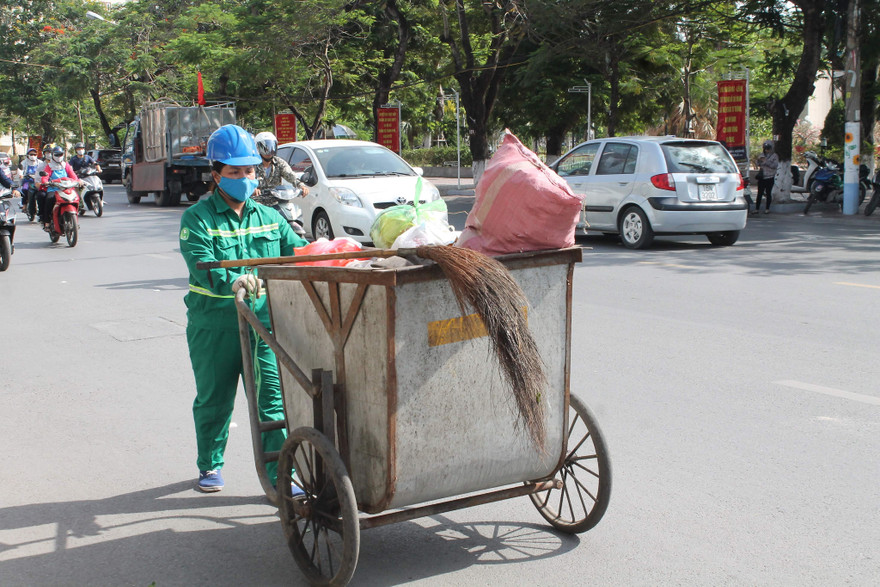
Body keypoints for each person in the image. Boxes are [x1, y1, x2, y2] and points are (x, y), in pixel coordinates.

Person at [179, 124, 308, 493]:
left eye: (249, 171)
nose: (244, 178)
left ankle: (280, 477)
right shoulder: (197, 219)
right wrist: (232, 281)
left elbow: (297, 251)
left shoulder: (270, 218)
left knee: (272, 400)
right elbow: (201, 263)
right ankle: (209, 466)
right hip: (214, 325)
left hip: (262, 324)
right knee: (214, 399)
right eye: (234, 172)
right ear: (216, 174)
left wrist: (330, 251)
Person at [251, 131, 309, 207]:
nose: (269, 151)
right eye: (265, 148)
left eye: (271, 147)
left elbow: (290, 174)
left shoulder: (279, 162)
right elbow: (246, 181)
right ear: (258, 148)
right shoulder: (252, 165)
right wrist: (252, 189)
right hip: (257, 204)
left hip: (277, 202)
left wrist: (301, 186)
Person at [39, 146, 79, 230]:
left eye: (60, 154)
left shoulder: (66, 165)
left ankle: (75, 219)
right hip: (54, 189)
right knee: (49, 200)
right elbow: (45, 176)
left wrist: (78, 181)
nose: (59, 157)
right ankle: (47, 222)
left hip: (67, 189)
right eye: (56, 155)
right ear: (53, 155)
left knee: (76, 197)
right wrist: (45, 181)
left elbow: (73, 176)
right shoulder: (49, 166)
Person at [755, 140, 779, 214]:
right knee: (759, 193)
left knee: (768, 193)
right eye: (765, 148)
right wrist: (758, 161)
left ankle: (767, 208)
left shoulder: (774, 156)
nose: (767, 150)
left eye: (768, 148)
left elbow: (775, 166)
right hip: (762, 177)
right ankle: (757, 209)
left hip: (770, 177)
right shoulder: (761, 154)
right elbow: (757, 164)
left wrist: (766, 162)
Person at [18, 148, 44, 212]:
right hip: (27, 181)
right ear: (28, 155)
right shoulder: (24, 162)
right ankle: (24, 205)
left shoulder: (40, 162)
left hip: (37, 181)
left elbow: (44, 170)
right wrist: (21, 175)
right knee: (24, 189)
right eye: (31, 154)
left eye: (35, 154)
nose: (33, 156)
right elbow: (20, 170)